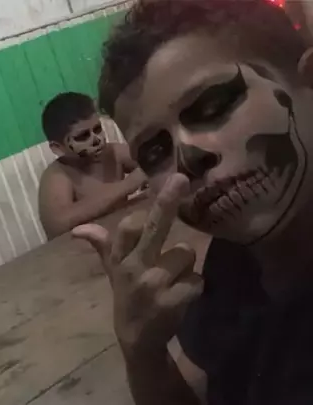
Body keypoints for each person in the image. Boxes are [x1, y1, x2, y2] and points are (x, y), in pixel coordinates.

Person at [72, 0, 313, 404]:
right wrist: (143, 351)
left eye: (214, 107)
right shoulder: (232, 265)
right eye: (154, 151)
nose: (187, 158)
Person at [38, 92, 147, 239]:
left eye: (97, 129)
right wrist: (129, 184)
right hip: (84, 247)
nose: (96, 139)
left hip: (122, 235)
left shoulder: (113, 153)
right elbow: (56, 225)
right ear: (58, 148)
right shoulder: (58, 175)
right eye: (82, 136)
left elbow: (154, 162)